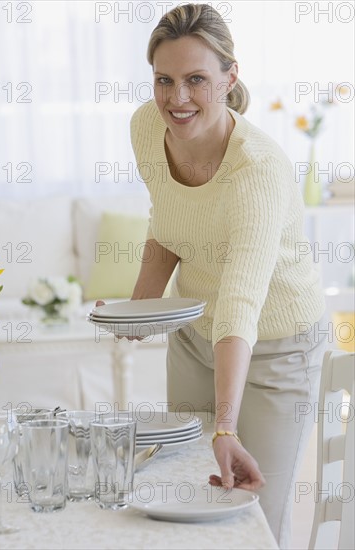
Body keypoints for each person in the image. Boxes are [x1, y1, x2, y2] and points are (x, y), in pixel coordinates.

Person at [127, 4, 327, 548]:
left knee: (250, 512)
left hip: (274, 349)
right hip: (195, 337)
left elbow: (241, 304)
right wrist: (140, 307)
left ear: (229, 77)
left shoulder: (256, 167)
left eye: (196, 80)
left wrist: (225, 427)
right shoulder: (147, 127)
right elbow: (166, 219)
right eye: (163, 80)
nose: (177, 98)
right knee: (182, 494)